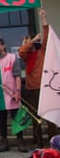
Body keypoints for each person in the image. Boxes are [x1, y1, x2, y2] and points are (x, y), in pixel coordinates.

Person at [18, 8, 57, 148]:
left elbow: (47, 36)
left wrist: (43, 18)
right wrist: (31, 41)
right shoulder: (27, 57)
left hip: (44, 88)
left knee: (50, 117)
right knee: (35, 117)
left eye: (30, 41)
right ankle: (38, 141)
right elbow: (21, 51)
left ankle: (53, 141)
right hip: (31, 89)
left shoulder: (42, 52)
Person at [0, 38, 28, 152]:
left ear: (3, 46)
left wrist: (18, 91)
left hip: (12, 92)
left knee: (17, 118)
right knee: (2, 119)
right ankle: (4, 142)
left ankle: (20, 142)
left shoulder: (12, 57)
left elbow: (17, 75)